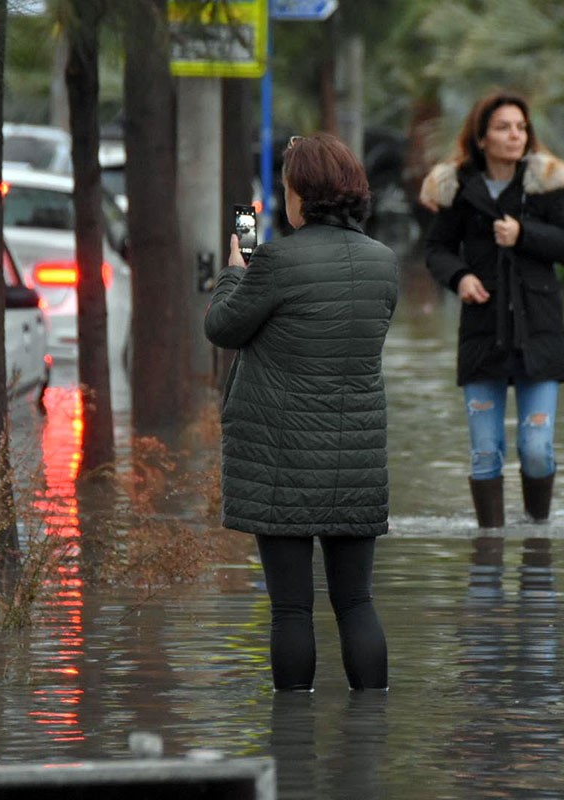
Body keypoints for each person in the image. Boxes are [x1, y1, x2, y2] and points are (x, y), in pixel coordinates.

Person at [204, 132, 399, 692]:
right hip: (356, 459)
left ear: (302, 196)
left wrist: (236, 265)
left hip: (280, 462)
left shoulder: (277, 262)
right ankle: (371, 728)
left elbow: (223, 327)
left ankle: (292, 742)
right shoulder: (384, 264)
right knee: (356, 602)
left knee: (291, 610)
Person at [420, 91, 564, 529]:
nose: (515, 135)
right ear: (481, 138)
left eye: (521, 127)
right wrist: (460, 278)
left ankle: (538, 539)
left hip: (539, 335)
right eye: (503, 127)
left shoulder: (546, 187)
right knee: (484, 451)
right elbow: (437, 248)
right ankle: (488, 553)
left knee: (536, 448)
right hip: (482, 336)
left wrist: (524, 234)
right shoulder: (459, 188)